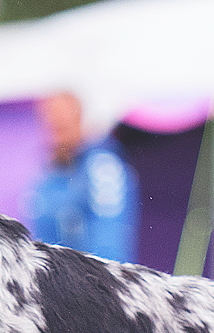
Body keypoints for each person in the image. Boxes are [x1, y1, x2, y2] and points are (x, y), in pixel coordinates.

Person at [28, 91, 139, 263]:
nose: (55, 133)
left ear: (79, 119)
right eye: (50, 125)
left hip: (95, 276)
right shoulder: (47, 178)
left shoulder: (103, 167)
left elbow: (108, 244)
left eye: (62, 125)